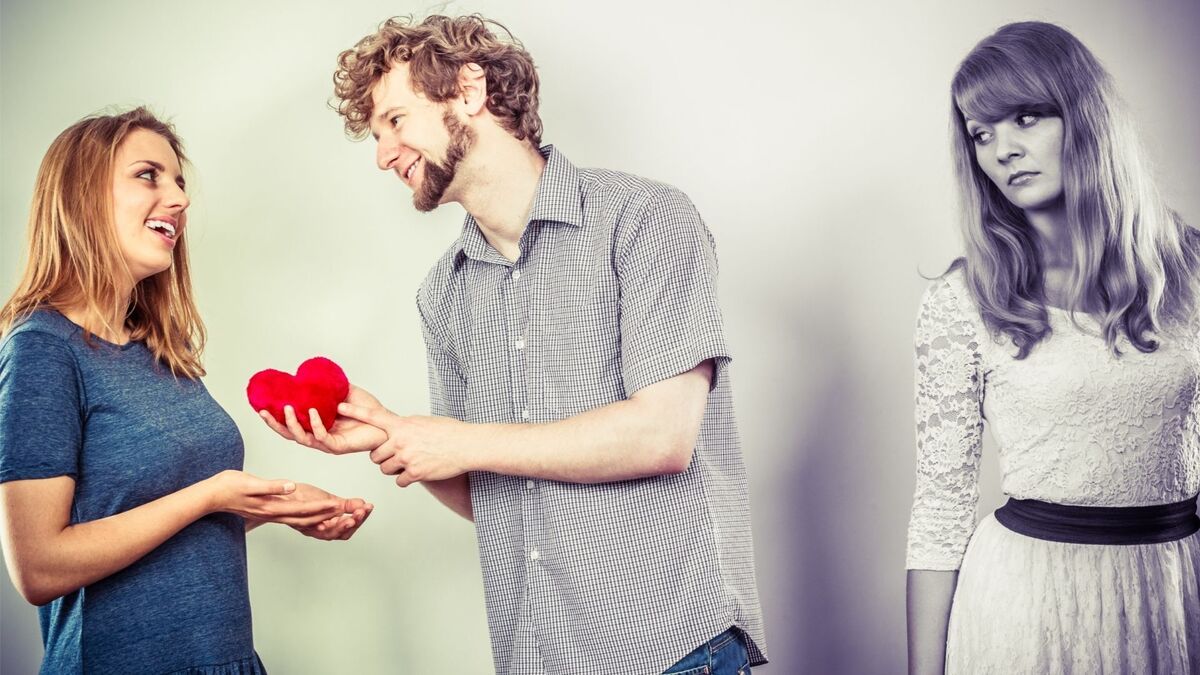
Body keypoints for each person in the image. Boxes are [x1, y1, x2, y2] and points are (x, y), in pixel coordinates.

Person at [259, 14, 767, 675]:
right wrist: (390, 432)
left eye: (394, 120)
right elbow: (491, 495)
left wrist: (452, 438)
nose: (383, 153)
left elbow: (662, 434)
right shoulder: (442, 293)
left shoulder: (645, 220)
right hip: (537, 657)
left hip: (672, 652)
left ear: (468, 90)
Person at [0, 107, 374, 674]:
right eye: (149, 175)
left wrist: (267, 507)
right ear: (80, 195)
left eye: (178, 182)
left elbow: (154, 522)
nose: (178, 198)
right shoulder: (43, 349)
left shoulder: (159, 350)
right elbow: (39, 568)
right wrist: (211, 493)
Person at [905, 21, 1200, 675]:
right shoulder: (963, 300)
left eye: (1026, 117)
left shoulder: (1193, 271)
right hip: (1025, 606)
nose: (1002, 149)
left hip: (1171, 592)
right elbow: (939, 509)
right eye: (981, 134)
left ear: (1084, 115)